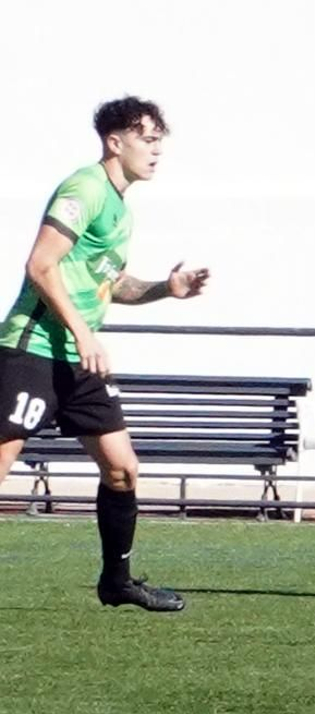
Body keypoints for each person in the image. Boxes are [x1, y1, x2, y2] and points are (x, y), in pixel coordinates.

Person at [0, 97, 210, 613]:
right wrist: (83, 333)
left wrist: (166, 289)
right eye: (147, 139)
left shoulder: (121, 208)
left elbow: (111, 284)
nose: (157, 150)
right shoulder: (85, 189)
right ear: (115, 142)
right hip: (34, 350)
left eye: (159, 140)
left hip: (79, 361)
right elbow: (40, 265)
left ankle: (117, 582)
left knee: (122, 470)